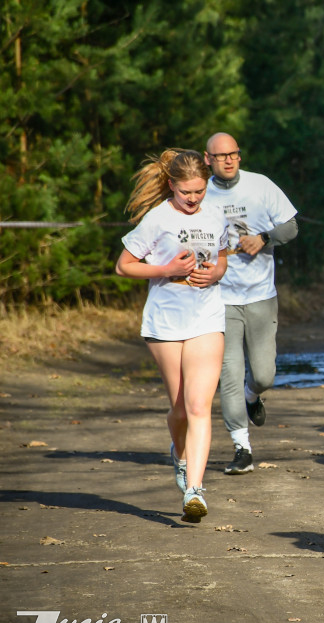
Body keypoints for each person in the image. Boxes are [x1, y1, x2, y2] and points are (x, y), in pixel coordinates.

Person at [115, 149, 229, 523]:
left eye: (199, 191)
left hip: (207, 317)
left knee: (199, 407)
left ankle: (194, 491)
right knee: (180, 409)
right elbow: (124, 266)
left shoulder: (216, 214)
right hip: (165, 321)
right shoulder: (157, 218)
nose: (194, 199)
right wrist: (165, 268)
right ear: (171, 186)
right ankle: (178, 454)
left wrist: (215, 274)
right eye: (186, 193)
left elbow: (223, 256)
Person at [203, 132, 298, 476]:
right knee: (227, 371)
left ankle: (252, 395)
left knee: (263, 374)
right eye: (221, 155)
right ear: (207, 159)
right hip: (218, 298)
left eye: (234, 154)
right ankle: (241, 447)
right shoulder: (200, 192)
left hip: (259, 294)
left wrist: (265, 238)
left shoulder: (261, 186)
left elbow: (291, 227)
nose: (229, 160)